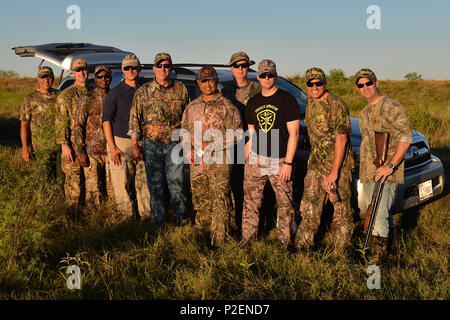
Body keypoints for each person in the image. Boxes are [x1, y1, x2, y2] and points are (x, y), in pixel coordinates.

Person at [294, 68, 355, 254]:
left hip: (338, 166)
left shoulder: (336, 104)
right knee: (309, 206)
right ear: (306, 85)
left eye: (318, 83)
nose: (314, 87)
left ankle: (341, 252)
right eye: (310, 84)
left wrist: (334, 172)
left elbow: (341, 139)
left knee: (341, 210)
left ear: (325, 83)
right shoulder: (311, 103)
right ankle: (302, 248)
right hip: (316, 164)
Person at [356, 68, 412, 265]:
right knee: (381, 212)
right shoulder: (364, 113)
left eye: (368, 83)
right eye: (361, 85)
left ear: (376, 83)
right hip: (370, 172)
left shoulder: (390, 106)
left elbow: (406, 137)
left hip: (386, 173)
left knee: (377, 216)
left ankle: (376, 261)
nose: (365, 88)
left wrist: (390, 166)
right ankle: (393, 250)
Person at [181, 66, 242, 246]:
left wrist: (213, 144)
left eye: (211, 80)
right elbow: (183, 130)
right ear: (198, 83)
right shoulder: (192, 107)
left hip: (220, 162)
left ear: (216, 82)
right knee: (200, 200)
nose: (208, 84)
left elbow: (238, 134)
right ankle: (202, 238)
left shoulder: (227, 106)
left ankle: (220, 241)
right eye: (204, 80)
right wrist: (188, 148)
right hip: (198, 163)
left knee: (220, 201)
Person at [241, 59, 300, 246]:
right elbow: (251, 133)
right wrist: (247, 159)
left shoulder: (287, 100)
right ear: (258, 77)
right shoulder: (253, 102)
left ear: (276, 75)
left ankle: (285, 243)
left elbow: (294, 133)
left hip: (280, 159)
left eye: (271, 75)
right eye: (264, 75)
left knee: (285, 204)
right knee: (250, 203)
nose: (267, 78)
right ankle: (248, 241)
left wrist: (288, 163)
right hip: (256, 159)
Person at [128, 53, 189, 227]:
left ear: (170, 68)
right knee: (156, 188)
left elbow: (187, 119)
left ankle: (181, 224)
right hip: (151, 146)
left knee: (176, 186)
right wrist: (135, 145)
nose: (163, 69)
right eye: (159, 65)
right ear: (154, 68)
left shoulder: (181, 89)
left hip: (175, 146)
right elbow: (134, 120)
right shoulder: (143, 92)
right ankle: (159, 224)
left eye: (167, 66)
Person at [102, 54, 151, 221]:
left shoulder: (147, 90)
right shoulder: (115, 93)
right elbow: (106, 121)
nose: (131, 71)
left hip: (143, 142)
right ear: (123, 70)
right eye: (127, 68)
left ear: (140, 69)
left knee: (143, 183)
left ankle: (146, 217)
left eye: (134, 68)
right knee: (122, 184)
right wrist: (112, 147)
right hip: (121, 143)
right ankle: (127, 219)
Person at [221, 51, 261, 233]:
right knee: (236, 186)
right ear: (231, 68)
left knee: (255, 188)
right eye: (237, 65)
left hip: (255, 142)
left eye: (244, 65)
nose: (240, 69)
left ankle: (258, 225)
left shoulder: (258, 89)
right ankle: (238, 226)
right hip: (232, 145)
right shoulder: (226, 91)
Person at [73, 65, 115, 206]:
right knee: (92, 191)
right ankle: (94, 220)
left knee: (113, 189)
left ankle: (113, 218)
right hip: (92, 153)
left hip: (112, 151)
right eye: (99, 76)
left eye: (106, 76)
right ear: (95, 79)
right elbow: (78, 126)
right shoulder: (88, 98)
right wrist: (81, 153)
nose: (103, 79)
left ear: (110, 78)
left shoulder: (114, 96)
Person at [55, 58, 90, 207]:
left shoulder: (92, 93)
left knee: (90, 184)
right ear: (73, 73)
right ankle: (72, 216)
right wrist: (64, 145)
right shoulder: (66, 95)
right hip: (72, 147)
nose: (82, 73)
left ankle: (91, 217)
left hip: (90, 146)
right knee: (73, 184)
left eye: (84, 70)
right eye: (78, 70)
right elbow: (60, 122)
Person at [19, 66, 58, 178]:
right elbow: (24, 124)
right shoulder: (30, 98)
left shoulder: (60, 96)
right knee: (43, 181)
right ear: (38, 79)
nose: (46, 80)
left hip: (60, 148)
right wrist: (25, 149)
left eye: (49, 77)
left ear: (53, 78)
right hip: (40, 148)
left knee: (60, 180)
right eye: (43, 77)